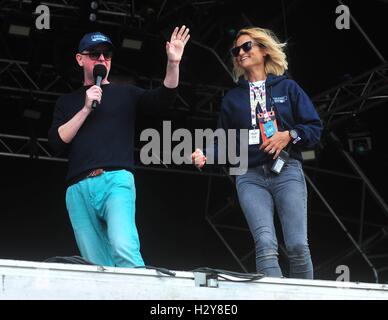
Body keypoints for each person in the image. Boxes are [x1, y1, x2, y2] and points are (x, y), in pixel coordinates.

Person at [49, 27, 190, 267]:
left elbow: (162, 100)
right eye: (95, 53)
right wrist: (85, 108)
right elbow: (56, 142)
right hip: (78, 188)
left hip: (115, 180)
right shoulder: (68, 101)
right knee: (95, 266)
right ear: (80, 59)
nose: (102, 58)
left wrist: (173, 63)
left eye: (107, 54)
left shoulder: (126, 93)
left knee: (123, 246)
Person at [192, 27, 322, 279]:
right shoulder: (232, 99)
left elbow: (314, 128)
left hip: (286, 171)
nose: (240, 53)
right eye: (235, 50)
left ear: (263, 50)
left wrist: (289, 135)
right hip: (249, 176)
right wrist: (206, 154)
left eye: (247, 46)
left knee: (297, 245)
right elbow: (225, 143)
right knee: (265, 245)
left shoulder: (288, 88)